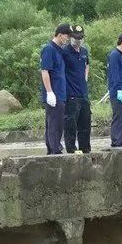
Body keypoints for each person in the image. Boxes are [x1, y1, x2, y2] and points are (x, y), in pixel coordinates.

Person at [40, 23, 72, 155]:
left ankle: (53, 148)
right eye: (67, 36)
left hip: (61, 92)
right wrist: (49, 92)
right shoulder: (49, 49)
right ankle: (54, 149)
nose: (68, 39)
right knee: (54, 123)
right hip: (54, 93)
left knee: (58, 122)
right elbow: (45, 71)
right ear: (60, 35)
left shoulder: (59, 50)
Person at [61, 24, 91, 153]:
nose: (78, 40)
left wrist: (85, 77)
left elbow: (87, 64)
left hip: (83, 93)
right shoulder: (64, 52)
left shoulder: (84, 51)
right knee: (70, 124)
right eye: (75, 38)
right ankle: (71, 150)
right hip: (71, 94)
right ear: (70, 37)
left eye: (80, 38)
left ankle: (85, 149)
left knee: (85, 124)